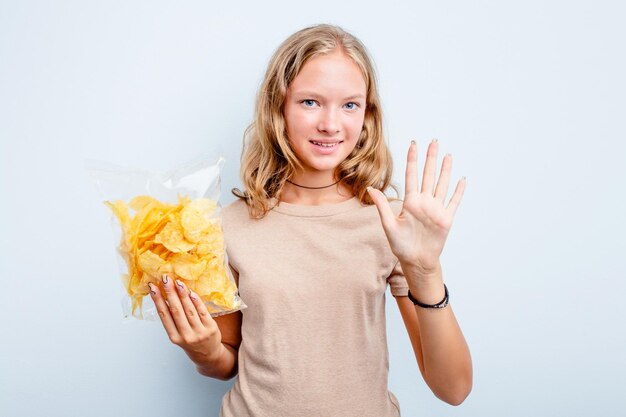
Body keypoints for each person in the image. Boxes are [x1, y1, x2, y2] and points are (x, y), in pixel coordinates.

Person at [147, 23, 472, 416]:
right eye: (310, 102)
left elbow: (453, 389)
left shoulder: (391, 223)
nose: (331, 125)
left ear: (367, 115)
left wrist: (426, 271)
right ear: (278, 107)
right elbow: (227, 361)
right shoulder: (228, 226)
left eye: (350, 105)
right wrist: (203, 350)